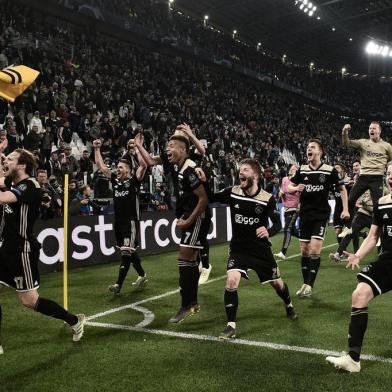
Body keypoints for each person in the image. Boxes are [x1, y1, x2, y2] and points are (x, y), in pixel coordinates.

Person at [199, 158, 297, 339]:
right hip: (239, 248)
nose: (240, 172)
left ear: (256, 175)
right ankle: (231, 325)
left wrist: (267, 231)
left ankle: (288, 304)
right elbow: (211, 197)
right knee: (231, 282)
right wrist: (204, 181)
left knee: (278, 284)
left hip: (260, 250)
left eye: (245, 169)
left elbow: (277, 224)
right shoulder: (233, 192)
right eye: (239, 169)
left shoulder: (267, 198)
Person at [0, 148, 85, 355]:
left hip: (22, 250)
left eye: (11, 159)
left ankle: (74, 320)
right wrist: (3, 155)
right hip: (5, 248)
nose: (6, 161)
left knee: (30, 301)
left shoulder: (31, 186)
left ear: (22, 165)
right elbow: (2, 181)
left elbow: (3, 198)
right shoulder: (16, 182)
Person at [135, 132, 210, 323]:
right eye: (167, 146)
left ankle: (186, 305)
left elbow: (203, 199)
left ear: (183, 150)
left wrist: (187, 221)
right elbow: (151, 162)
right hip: (187, 214)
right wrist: (138, 145)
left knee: (184, 257)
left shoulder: (190, 169)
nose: (167, 149)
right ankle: (192, 303)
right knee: (190, 260)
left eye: (171, 146)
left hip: (197, 216)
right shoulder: (174, 164)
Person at [326, 162, 392, 372]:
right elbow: (373, 236)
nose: (390, 176)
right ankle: (353, 360)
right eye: (389, 173)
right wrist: (358, 255)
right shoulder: (381, 203)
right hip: (388, 261)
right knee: (360, 294)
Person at [289, 139, 349, 298]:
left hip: (321, 215)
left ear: (320, 151)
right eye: (308, 147)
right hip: (305, 215)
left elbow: (342, 190)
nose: (309, 149)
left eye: (312, 147)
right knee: (304, 251)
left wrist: (345, 209)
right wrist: (296, 188)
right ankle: (305, 283)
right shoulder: (302, 170)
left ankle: (309, 285)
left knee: (315, 250)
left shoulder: (329, 170)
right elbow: (289, 186)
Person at [93, 139, 147, 294]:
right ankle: (142, 275)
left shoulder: (134, 181)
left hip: (130, 222)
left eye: (121, 167)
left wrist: (137, 147)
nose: (117, 169)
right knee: (130, 251)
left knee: (125, 253)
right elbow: (101, 166)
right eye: (117, 167)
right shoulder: (115, 181)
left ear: (129, 170)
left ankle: (118, 285)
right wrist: (97, 148)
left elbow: (143, 164)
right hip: (118, 222)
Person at [341, 122, 392, 235]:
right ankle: (348, 226)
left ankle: (380, 231)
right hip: (363, 177)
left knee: (377, 206)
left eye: (374, 128)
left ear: (379, 131)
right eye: (369, 128)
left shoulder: (387, 146)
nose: (371, 130)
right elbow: (347, 143)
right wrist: (344, 132)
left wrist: (388, 170)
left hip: (377, 178)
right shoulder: (363, 143)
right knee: (351, 199)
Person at [329, 190, 372, 263]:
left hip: (374, 216)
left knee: (380, 235)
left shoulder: (382, 189)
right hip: (361, 214)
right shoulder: (362, 187)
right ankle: (338, 254)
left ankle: (384, 255)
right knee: (350, 233)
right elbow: (358, 202)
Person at [274, 164, 300, 260]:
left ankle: (283, 252)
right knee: (292, 230)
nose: (291, 170)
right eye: (291, 168)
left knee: (287, 229)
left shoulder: (298, 181)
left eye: (294, 169)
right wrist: (280, 193)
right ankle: (307, 238)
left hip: (294, 208)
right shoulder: (284, 179)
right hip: (286, 207)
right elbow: (281, 190)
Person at [332, 163, 351, 242]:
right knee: (338, 231)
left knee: (349, 231)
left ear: (342, 170)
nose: (335, 169)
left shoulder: (349, 181)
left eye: (337, 168)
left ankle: (363, 234)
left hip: (348, 208)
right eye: (334, 168)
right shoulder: (332, 182)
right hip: (338, 209)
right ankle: (341, 252)